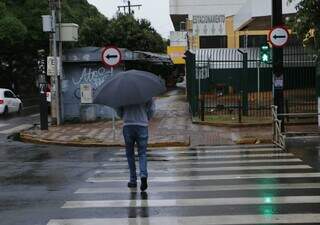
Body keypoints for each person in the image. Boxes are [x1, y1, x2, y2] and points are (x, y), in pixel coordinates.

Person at [116, 99, 155, 192]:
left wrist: (124, 116)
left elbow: (118, 111)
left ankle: (133, 180)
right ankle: (143, 176)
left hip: (128, 125)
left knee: (130, 154)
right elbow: (152, 109)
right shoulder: (145, 92)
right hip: (142, 125)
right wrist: (146, 118)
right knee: (142, 153)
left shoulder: (123, 94)